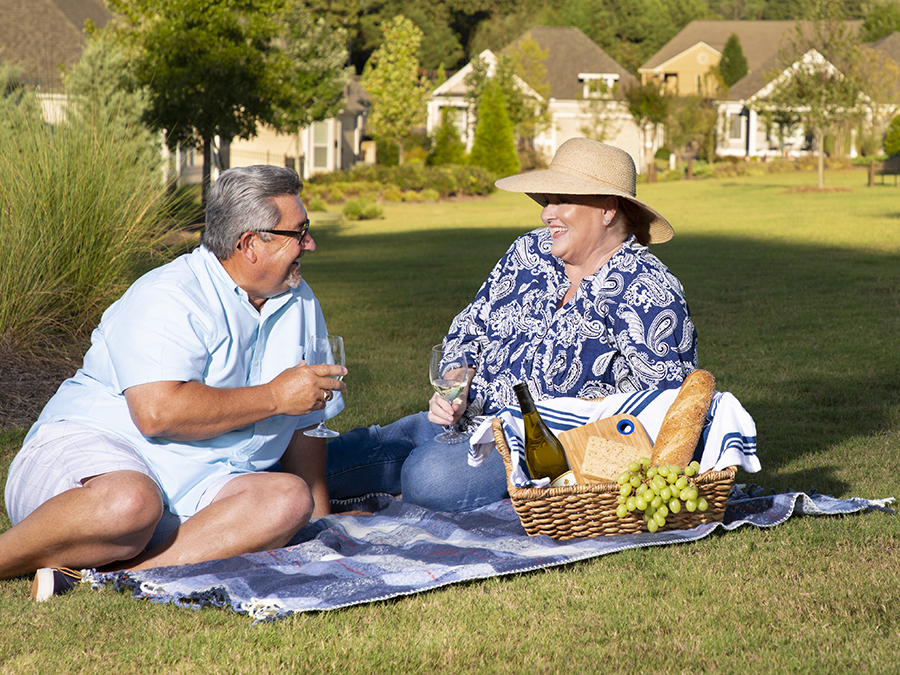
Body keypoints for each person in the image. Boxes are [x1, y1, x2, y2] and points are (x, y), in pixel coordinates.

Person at [1, 164, 346, 600]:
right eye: (299, 232)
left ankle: (120, 578)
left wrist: (317, 522)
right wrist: (276, 397)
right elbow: (157, 413)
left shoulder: (300, 300)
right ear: (250, 244)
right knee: (131, 504)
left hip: (204, 487)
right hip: (93, 460)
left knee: (288, 501)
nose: (309, 244)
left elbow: (307, 423)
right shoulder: (170, 294)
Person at [326, 138, 697, 512]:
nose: (546, 215)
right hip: (468, 420)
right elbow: (468, 329)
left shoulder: (648, 289)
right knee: (322, 462)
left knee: (427, 478)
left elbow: (666, 411)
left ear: (607, 209)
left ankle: (408, 479)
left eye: (560, 201)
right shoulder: (528, 253)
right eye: (545, 202)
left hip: (541, 454)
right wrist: (457, 382)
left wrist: (569, 456)